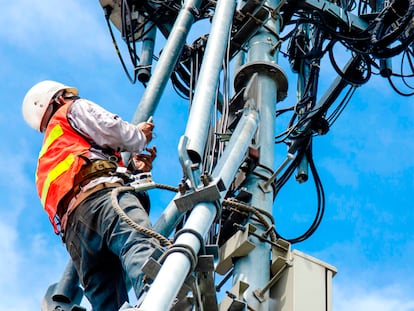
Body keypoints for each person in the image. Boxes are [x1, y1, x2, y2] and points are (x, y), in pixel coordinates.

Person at [22, 80, 160, 310]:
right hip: (103, 201)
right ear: (58, 97)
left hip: (76, 232)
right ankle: (160, 296)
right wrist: (139, 136)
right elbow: (111, 128)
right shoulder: (71, 110)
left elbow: (81, 170)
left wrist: (133, 169)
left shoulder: (47, 156)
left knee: (106, 298)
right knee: (139, 244)